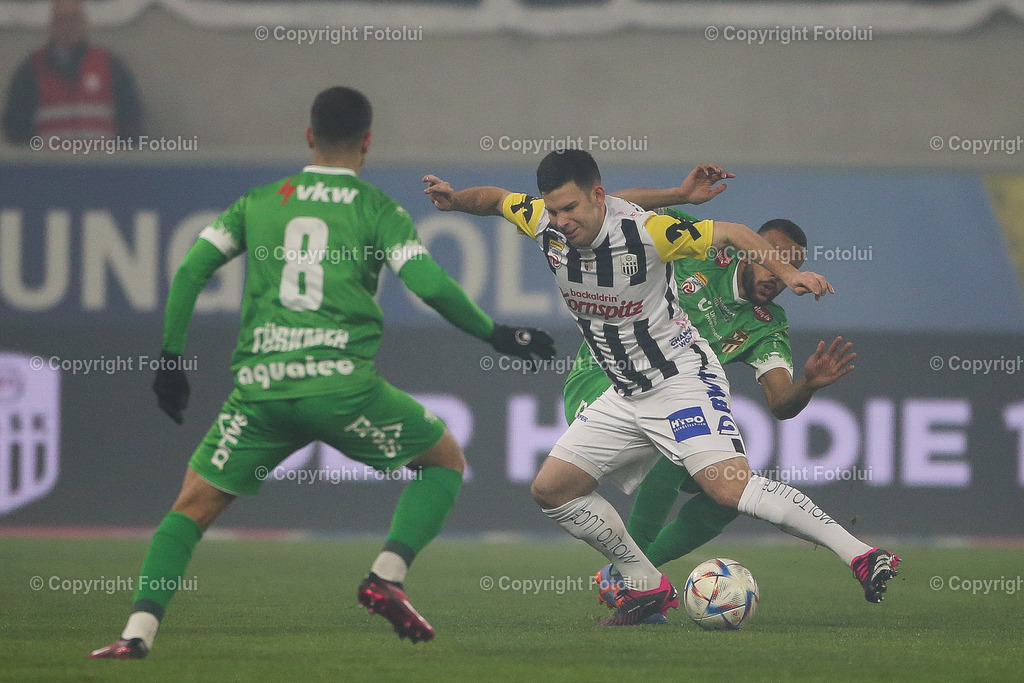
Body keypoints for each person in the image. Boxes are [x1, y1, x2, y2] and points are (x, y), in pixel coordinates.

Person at [89, 86, 555, 659]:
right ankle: (386, 574)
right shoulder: (377, 210)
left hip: (261, 391)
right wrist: (497, 335)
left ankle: (136, 635)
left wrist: (170, 360)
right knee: (443, 462)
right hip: (340, 388)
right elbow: (429, 285)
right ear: (367, 142)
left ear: (309, 136)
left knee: (190, 509)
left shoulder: (260, 201)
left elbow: (190, 269)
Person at [423, 150, 898, 626]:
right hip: (625, 391)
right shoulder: (544, 222)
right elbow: (496, 199)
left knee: (729, 490)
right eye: (555, 209)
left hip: (680, 380)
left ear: (597, 198)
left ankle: (860, 554)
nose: (562, 221)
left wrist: (791, 274)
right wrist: (455, 201)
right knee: (552, 490)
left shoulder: (647, 233)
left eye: (571, 209)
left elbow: (731, 231)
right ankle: (645, 585)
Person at [561, 200, 857, 617]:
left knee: (726, 495)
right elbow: (616, 211)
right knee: (678, 445)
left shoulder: (766, 322)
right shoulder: (701, 245)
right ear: (748, 250)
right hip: (604, 379)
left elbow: (780, 403)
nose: (778, 277)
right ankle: (633, 581)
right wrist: (679, 193)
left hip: (671, 400)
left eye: (788, 269)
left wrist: (807, 383)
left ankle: (627, 576)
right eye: (771, 261)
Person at [2, 0, 144, 144]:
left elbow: (131, 122)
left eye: (74, 19)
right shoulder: (31, 69)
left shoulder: (110, 65)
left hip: (102, 164)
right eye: (62, 20)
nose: (69, 27)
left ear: (84, 22)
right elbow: (15, 129)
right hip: (48, 165)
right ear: (52, 23)